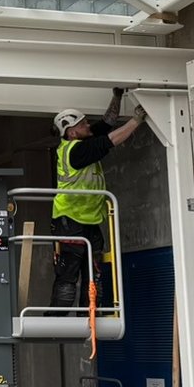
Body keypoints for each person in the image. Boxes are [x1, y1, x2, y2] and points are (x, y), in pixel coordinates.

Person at [51, 88, 144, 308]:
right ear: (71, 133)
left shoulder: (83, 140)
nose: (87, 126)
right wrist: (136, 120)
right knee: (70, 269)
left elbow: (107, 123)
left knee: (93, 270)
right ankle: (60, 316)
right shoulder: (76, 151)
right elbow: (111, 140)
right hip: (70, 219)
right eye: (82, 125)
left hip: (89, 219)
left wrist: (117, 96)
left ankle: (90, 312)